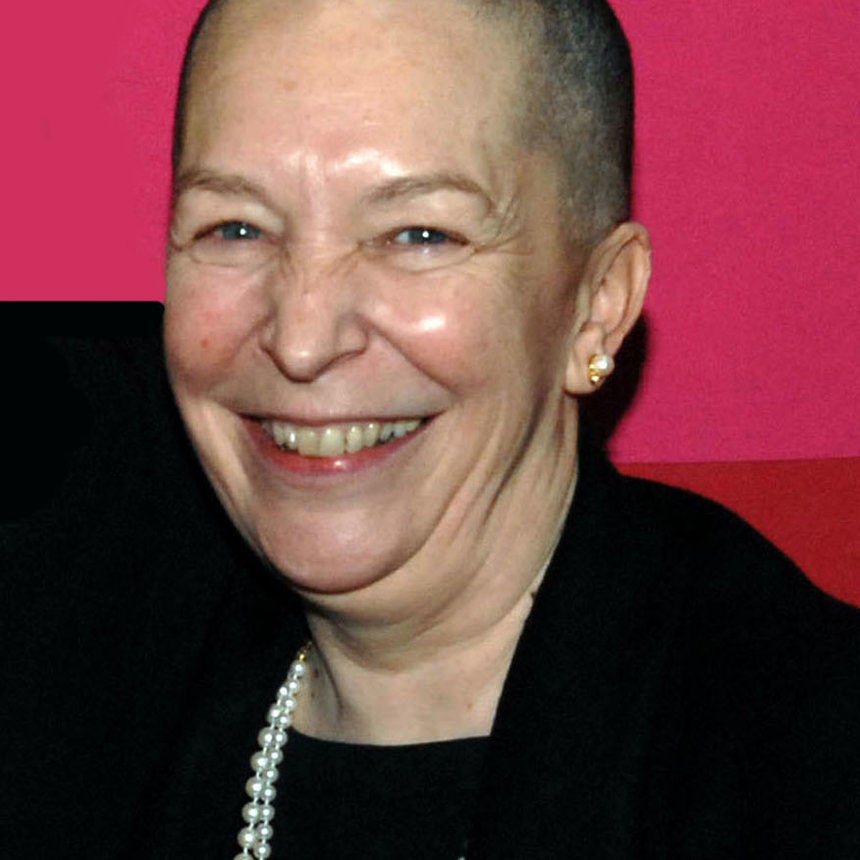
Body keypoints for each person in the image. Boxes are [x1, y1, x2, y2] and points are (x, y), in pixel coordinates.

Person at [1, 1, 858, 857]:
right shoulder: (72, 666)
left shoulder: (802, 759)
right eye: (236, 228)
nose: (302, 338)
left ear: (596, 306)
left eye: (418, 235)